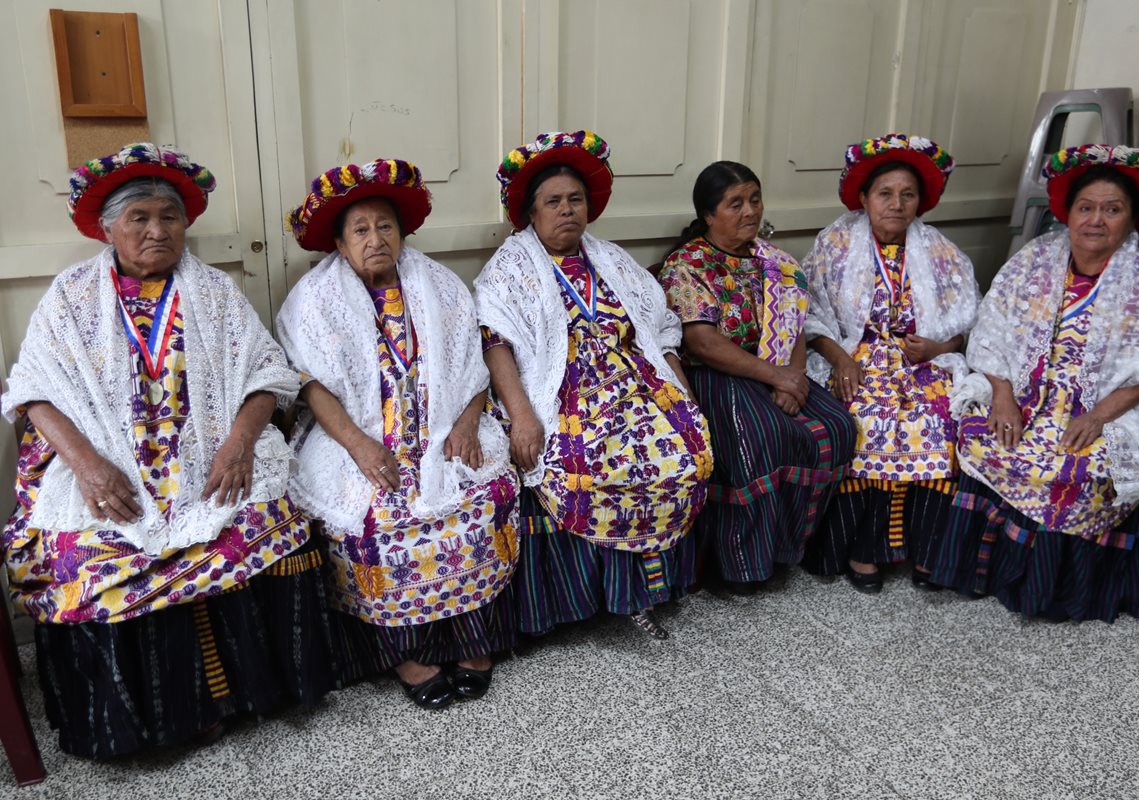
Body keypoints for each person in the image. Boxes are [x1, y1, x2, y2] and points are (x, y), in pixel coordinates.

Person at [0, 143, 335, 759]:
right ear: (108, 229)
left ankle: (238, 695)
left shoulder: (212, 292)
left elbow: (267, 374)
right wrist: (87, 465)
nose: (158, 231)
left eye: (170, 218)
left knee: (264, 520)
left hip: (208, 459)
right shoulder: (70, 295)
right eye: (140, 218)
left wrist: (238, 445)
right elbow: (33, 394)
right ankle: (159, 715)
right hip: (109, 469)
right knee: (86, 556)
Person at [277, 159, 519, 708]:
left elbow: (472, 370)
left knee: (484, 496)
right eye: (359, 230)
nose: (375, 239)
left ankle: (473, 643)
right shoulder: (313, 301)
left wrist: (463, 424)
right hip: (356, 439)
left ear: (403, 232)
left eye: (385, 226)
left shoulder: (440, 285)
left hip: (442, 429)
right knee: (377, 518)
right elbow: (312, 386)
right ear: (338, 244)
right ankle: (411, 656)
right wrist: (361, 446)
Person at [930, 144, 1139, 622]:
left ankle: (1048, 593)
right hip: (1031, 395)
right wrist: (1004, 396)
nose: (1096, 220)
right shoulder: (1036, 261)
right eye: (1085, 207)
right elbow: (993, 331)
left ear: (1131, 218)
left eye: (1112, 210)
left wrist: (1095, 417)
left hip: (1106, 406)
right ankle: (985, 571)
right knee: (984, 437)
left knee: (1073, 470)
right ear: (1067, 213)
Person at [475, 130, 712, 640]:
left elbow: (660, 328)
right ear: (531, 213)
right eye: (553, 202)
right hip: (561, 391)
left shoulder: (612, 259)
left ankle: (652, 588)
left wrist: (680, 386)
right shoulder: (510, 268)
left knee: (687, 451)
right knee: (589, 466)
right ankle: (621, 597)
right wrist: (522, 416)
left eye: (575, 200)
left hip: (636, 382)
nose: (567, 211)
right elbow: (495, 344)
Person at [657, 161, 855, 593]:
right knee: (760, 437)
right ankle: (741, 566)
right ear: (709, 214)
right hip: (719, 375)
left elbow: (795, 322)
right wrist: (778, 377)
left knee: (837, 427)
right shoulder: (687, 265)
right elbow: (702, 342)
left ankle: (794, 548)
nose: (750, 211)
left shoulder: (776, 263)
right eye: (735, 204)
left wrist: (796, 377)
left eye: (754, 199)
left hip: (780, 367)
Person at [802, 134, 980, 593]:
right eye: (884, 194)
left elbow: (971, 322)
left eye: (907, 195)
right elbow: (810, 316)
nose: (896, 205)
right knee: (867, 418)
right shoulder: (835, 244)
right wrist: (841, 358)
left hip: (922, 361)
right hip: (856, 358)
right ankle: (864, 549)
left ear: (921, 201)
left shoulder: (942, 252)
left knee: (940, 421)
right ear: (863, 198)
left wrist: (941, 350)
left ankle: (926, 551)